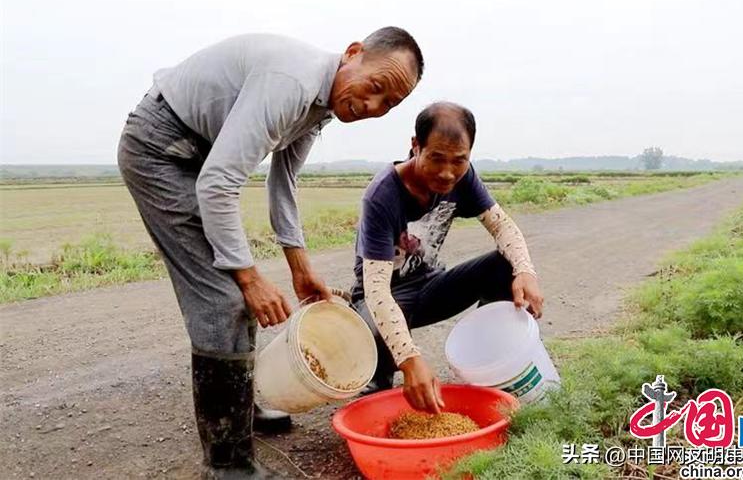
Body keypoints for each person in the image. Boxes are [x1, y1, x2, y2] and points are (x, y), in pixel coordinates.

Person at [117, 27, 423, 479]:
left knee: (236, 294)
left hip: (199, 156)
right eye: (375, 86)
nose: (372, 106)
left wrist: (300, 269)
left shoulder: (322, 104)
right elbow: (218, 184)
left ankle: (238, 408)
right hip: (160, 150)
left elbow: (283, 182)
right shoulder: (292, 83)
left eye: (389, 104)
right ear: (353, 53)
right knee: (223, 298)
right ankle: (227, 465)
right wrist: (249, 277)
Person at [350, 101, 544, 414]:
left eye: (459, 160)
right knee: (377, 337)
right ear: (416, 146)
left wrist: (525, 270)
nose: (447, 172)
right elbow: (376, 292)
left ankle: (488, 365)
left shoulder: (463, 177)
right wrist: (409, 358)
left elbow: (501, 226)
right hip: (381, 298)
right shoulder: (382, 196)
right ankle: (379, 380)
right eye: (436, 158)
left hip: (429, 288)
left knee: (504, 266)